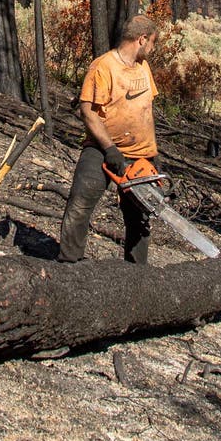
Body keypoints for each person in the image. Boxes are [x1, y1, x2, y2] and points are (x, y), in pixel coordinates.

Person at [58, 15, 161, 264]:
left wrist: (153, 153)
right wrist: (110, 148)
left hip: (141, 155)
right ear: (142, 39)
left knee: (140, 217)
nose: (153, 48)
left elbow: (145, 110)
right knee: (80, 203)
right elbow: (88, 112)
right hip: (103, 149)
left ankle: (136, 273)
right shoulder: (103, 66)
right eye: (153, 42)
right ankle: (69, 263)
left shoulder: (143, 67)